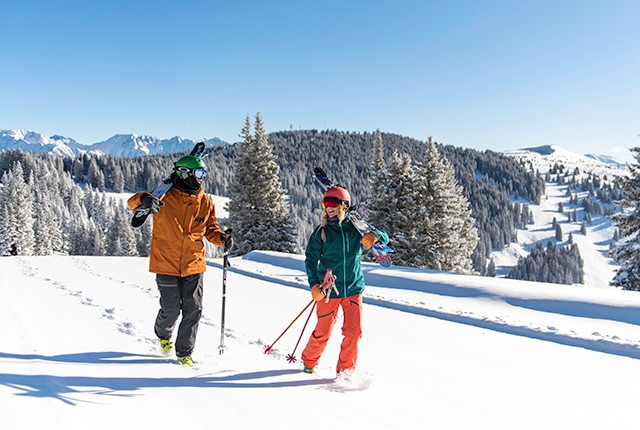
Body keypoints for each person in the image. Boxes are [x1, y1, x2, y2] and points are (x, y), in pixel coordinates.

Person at [128, 154, 231, 366]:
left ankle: (184, 353)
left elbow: (210, 229)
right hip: (166, 262)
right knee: (171, 308)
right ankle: (162, 333)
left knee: (193, 309)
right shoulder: (164, 196)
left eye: (204, 174)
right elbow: (133, 202)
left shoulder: (205, 202)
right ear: (185, 173)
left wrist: (222, 239)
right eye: (199, 173)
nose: (202, 178)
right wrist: (145, 200)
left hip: (194, 264)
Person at [301, 185, 389, 376]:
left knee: (353, 333)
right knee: (323, 331)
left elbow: (385, 237)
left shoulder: (356, 228)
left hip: (353, 288)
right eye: (326, 203)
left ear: (344, 205)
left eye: (333, 203)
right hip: (328, 289)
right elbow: (310, 259)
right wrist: (314, 284)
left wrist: (374, 236)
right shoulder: (321, 232)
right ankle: (309, 362)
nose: (328, 207)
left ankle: (346, 372)